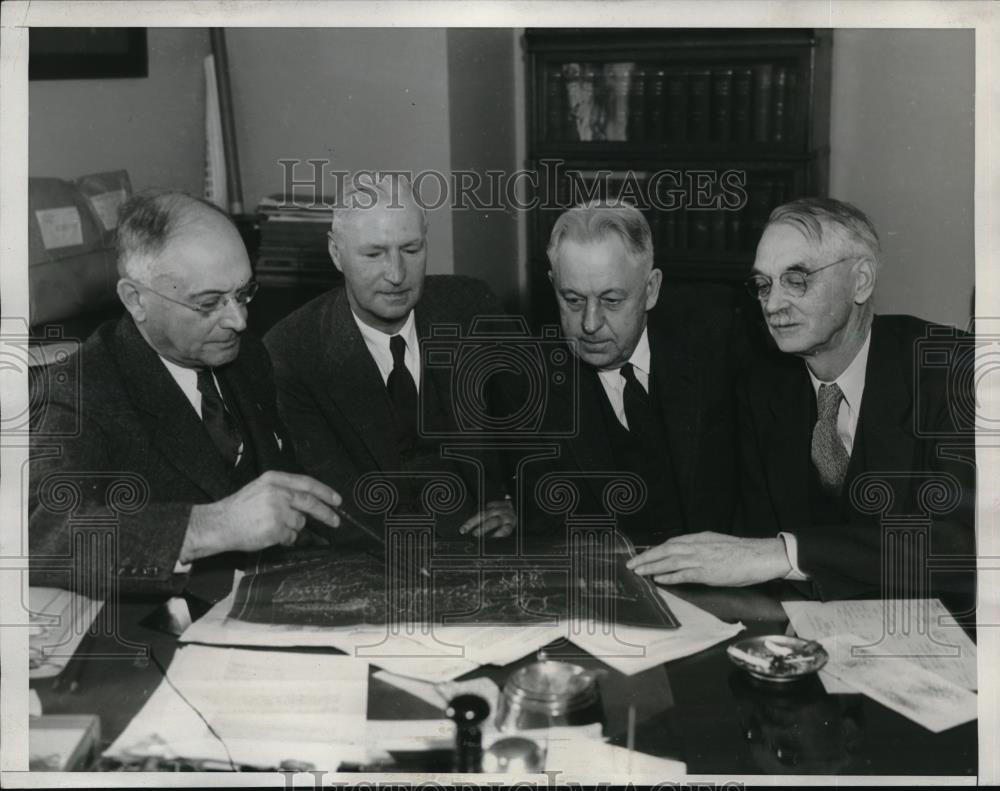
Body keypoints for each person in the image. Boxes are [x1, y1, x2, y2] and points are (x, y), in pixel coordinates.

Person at [628, 197, 975, 607]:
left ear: (861, 281)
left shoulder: (952, 369)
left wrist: (786, 552)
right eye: (763, 284)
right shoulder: (763, 389)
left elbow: (962, 544)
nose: (772, 305)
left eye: (797, 279)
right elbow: (754, 546)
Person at [29, 192, 342, 600]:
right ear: (136, 299)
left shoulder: (244, 356)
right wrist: (212, 525)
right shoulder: (80, 393)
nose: (239, 320)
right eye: (209, 303)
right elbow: (42, 537)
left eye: (244, 293)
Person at [264, 173, 515, 541]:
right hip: (373, 554)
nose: (397, 274)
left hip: (490, 543)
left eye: (411, 250)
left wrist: (516, 503)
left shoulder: (473, 306)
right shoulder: (291, 353)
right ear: (336, 253)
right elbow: (337, 510)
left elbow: (537, 431)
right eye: (374, 254)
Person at [539, 201, 742, 545]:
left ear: (651, 290)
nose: (589, 324)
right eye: (572, 300)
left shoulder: (720, 348)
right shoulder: (530, 384)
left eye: (612, 300)